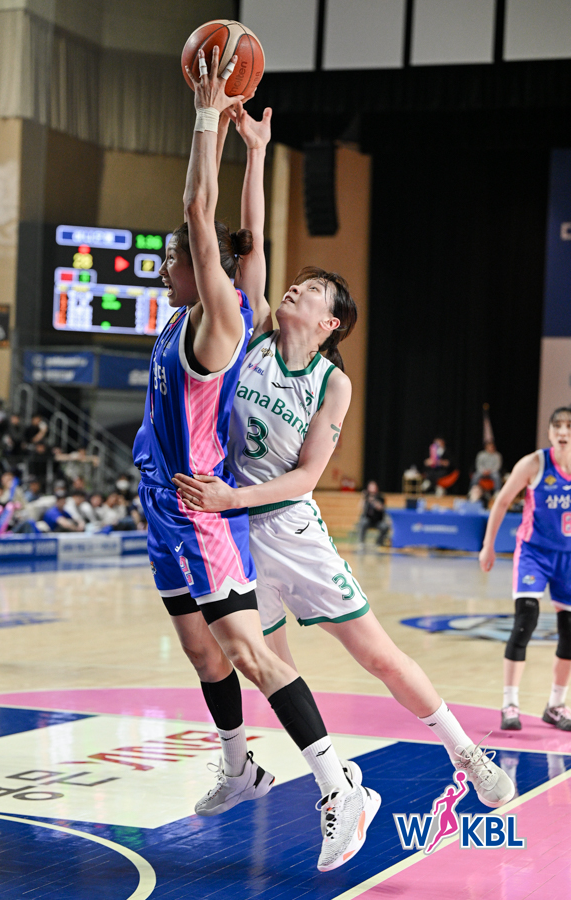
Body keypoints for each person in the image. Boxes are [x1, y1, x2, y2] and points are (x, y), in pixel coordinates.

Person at [173, 100, 514, 813]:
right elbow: (252, 240)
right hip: (234, 536)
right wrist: (257, 151)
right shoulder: (253, 334)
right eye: (296, 282)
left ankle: (468, 754)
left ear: (329, 322)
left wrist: (235, 497)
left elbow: (306, 477)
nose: (294, 286)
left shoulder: (333, 382)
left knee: (377, 655)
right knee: (267, 668)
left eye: (312, 289)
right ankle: (317, 782)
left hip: (287, 529)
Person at [132, 47, 375, 873]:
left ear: (198, 268)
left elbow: (202, 215)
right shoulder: (184, 316)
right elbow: (247, 234)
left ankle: (340, 786)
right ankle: (241, 769)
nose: (164, 269)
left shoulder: (221, 323)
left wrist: (207, 115)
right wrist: (258, 153)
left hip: (205, 515)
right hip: (163, 509)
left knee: (250, 654)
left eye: (173, 259)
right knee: (204, 655)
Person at [479, 406, 571, 732]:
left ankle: (556, 705)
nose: (563, 431)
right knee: (526, 619)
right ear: (549, 432)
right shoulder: (535, 463)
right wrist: (488, 545)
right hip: (534, 552)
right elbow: (503, 501)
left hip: (568, 557)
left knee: (569, 632)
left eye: (569, 426)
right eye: (557, 426)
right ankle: (510, 703)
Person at [358, 480, 389, 547]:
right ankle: (361, 542)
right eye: (370, 487)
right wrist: (363, 498)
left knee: (385, 527)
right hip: (368, 520)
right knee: (363, 523)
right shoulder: (366, 497)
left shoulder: (380, 497)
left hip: (378, 521)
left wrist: (373, 501)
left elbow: (381, 508)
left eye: (373, 487)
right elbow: (360, 507)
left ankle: (378, 542)